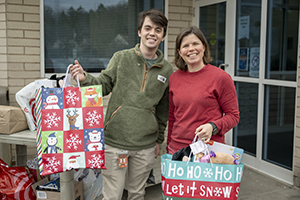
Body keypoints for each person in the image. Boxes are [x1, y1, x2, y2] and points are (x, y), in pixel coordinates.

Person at [69, 9, 173, 200]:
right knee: (112, 195)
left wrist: (159, 140)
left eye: (158, 30)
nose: (152, 33)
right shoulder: (121, 57)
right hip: (115, 142)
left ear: (163, 36)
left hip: (146, 144)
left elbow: (163, 110)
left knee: (137, 194)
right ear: (139, 32)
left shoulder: (167, 70)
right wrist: (85, 79)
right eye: (148, 28)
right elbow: (104, 85)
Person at [167, 26, 240, 155]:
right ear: (179, 52)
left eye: (195, 44)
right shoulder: (174, 78)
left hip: (208, 151)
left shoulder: (220, 77)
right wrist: (169, 148)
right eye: (185, 46)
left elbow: (233, 116)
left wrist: (213, 126)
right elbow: (172, 117)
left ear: (204, 47)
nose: (191, 49)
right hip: (178, 149)